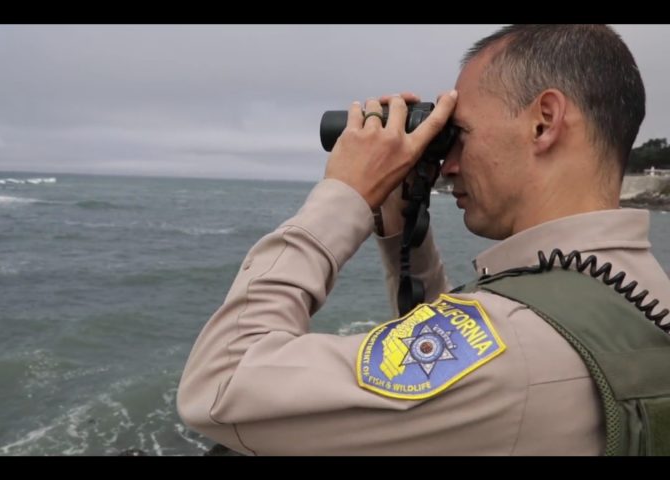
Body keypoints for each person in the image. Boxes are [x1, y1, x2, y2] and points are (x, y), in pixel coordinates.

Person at [177, 25, 670, 455]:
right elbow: (447, 361)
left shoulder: (516, 346)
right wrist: (401, 225)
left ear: (544, 121)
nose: (448, 164)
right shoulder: (636, 294)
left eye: (459, 134)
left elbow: (221, 386)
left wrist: (343, 195)